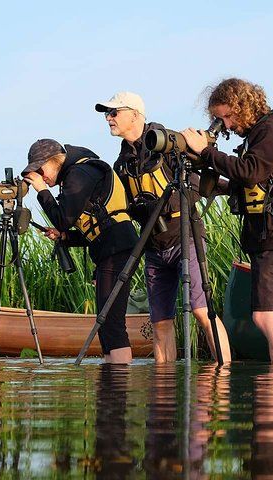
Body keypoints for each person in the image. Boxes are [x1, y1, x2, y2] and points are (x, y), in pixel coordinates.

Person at [181, 78, 273, 366]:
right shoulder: (262, 133)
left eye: (228, 116)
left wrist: (207, 152)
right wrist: (222, 186)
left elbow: (251, 171)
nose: (226, 125)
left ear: (244, 105)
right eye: (220, 118)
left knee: (266, 317)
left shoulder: (272, 129)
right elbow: (257, 181)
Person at [95, 91, 231, 363]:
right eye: (107, 114)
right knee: (160, 322)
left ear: (134, 115)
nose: (108, 118)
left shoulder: (167, 144)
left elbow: (199, 179)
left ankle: (224, 376)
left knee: (201, 311)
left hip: (185, 237)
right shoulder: (122, 163)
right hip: (154, 246)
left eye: (114, 112)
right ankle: (164, 392)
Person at [22, 138, 139, 364]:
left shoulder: (78, 173)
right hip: (112, 248)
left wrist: (42, 191)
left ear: (53, 161)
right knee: (105, 321)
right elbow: (94, 227)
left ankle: (118, 385)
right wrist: (65, 236)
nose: (40, 175)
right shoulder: (78, 174)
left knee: (111, 321)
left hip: (117, 249)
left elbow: (63, 219)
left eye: (40, 169)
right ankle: (111, 386)